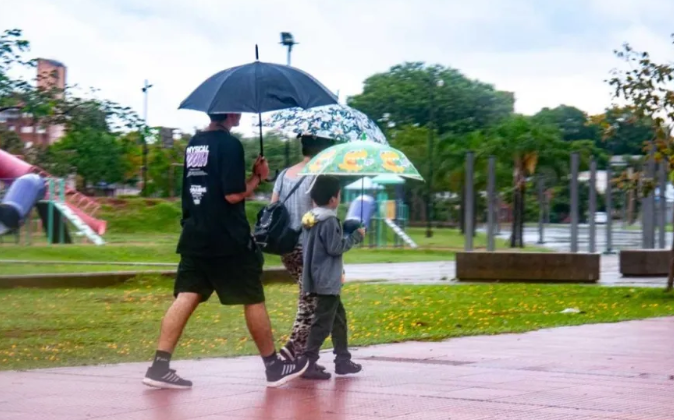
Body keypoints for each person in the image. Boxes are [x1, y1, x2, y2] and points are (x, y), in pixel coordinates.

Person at [143, 113, 308, 390]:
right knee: (252, 297)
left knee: (187, 295)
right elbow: (232, 194)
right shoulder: (229, 144)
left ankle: (159, 366)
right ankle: (273, 366)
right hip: (228, 239)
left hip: (195, 233)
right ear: (231, 113)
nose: (241, 114)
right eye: (239, 111)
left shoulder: (195, 142)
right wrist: (258, 177)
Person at [270, 135, 334, 366]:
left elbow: (273, 206)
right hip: (310, 247)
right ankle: (292, 353)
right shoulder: (319, 175)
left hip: (287, 246)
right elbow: (319, 213)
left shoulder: (284, 174)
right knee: (310, 303)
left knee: (311, 299)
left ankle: (306, 355)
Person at [299, 175, 364, 380]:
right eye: (339, 194)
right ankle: (308, 362)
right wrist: (355, 237)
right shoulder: (330, 220)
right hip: (328, 280)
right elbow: (335, 248)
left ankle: (343, 360)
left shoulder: (310, 217)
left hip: (316, 276)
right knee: (323, 323)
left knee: (338, 320)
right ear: (333, 199)